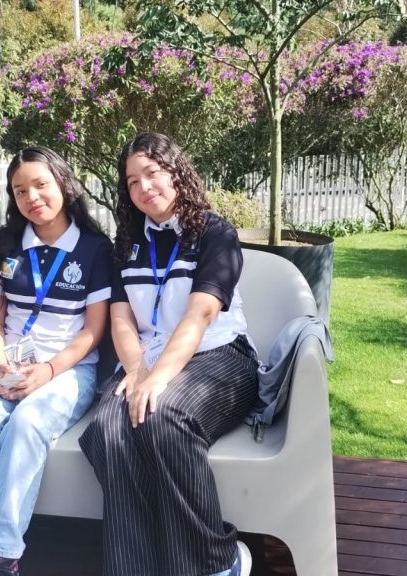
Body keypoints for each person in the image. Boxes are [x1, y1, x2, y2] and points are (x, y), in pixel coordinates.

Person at [79, 132, 258, 576]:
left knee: (164, 416)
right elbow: (121, 318)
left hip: (219, 356)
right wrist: (138, 369)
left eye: (152, 173)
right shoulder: (126, 242)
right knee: (107, 428)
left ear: (177, 172)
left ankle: (217, 561)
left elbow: (200, 314)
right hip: (147, 360)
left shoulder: (215, 232)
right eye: (132, 181)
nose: (144, 187)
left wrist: (157, 379)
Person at [0, 147, 112, 576]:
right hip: (5, 361)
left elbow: (94, 331)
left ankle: (4, 555)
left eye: (40, 185)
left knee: (27, 424)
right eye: (20, 191)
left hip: (67, 369)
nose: (31, 197)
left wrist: (48, 371)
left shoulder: (94, 249)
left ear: (63, 185)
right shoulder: (5, 245)